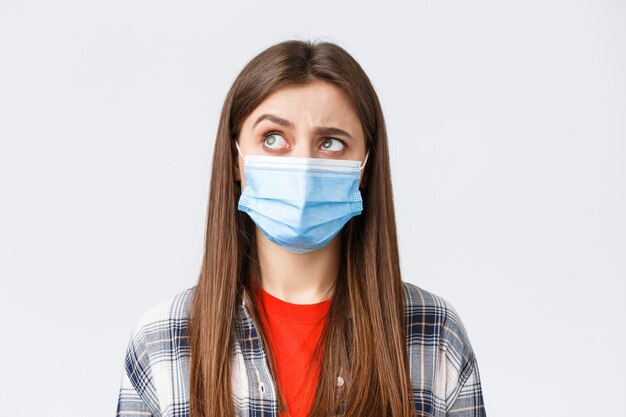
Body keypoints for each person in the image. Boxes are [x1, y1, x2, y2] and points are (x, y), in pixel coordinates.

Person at [115, 39, 486, 417]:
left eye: (331, 143)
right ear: (234, 161)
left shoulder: (434, 334)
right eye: (273, 139)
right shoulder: (163, 340)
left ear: (365, 168)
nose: (304, 168)